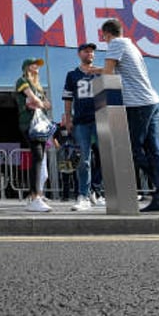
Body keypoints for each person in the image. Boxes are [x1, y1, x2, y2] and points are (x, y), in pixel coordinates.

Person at [101, 18, 159, 214]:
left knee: (132, 149)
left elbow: (109, 73)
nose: (104, 40)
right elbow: (121, 71)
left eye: (104, 37)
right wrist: (96, 70)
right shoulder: (130, 45)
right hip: (151, 100)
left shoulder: (115, 44)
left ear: (107, 34)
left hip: (137, 104)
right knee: (153, 150)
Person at [62, 42, 101, 212]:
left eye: (92, 52)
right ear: (79, 54)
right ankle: (83, 195)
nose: (90, 54)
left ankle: (97, 192)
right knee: (84, 160)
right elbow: (68, 98)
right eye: (86, 51)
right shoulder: (72, 75)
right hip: (81, 121)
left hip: (102, 120)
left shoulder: (101, 73)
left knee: (105, 158)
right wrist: (68, 119)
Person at [16, 57, 52, 213]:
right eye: (33, 64)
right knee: (37, 156)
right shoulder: (22, 80)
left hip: (40, 125)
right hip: (29, 123)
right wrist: (36, 101)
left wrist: (38, 102)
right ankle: (35, 197)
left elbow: (47, 104)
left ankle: (34, 196)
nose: (36, 67)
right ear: (26, 67)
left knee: (40, 156)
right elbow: (32, 98)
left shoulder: (39, 86)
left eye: (38, 65)